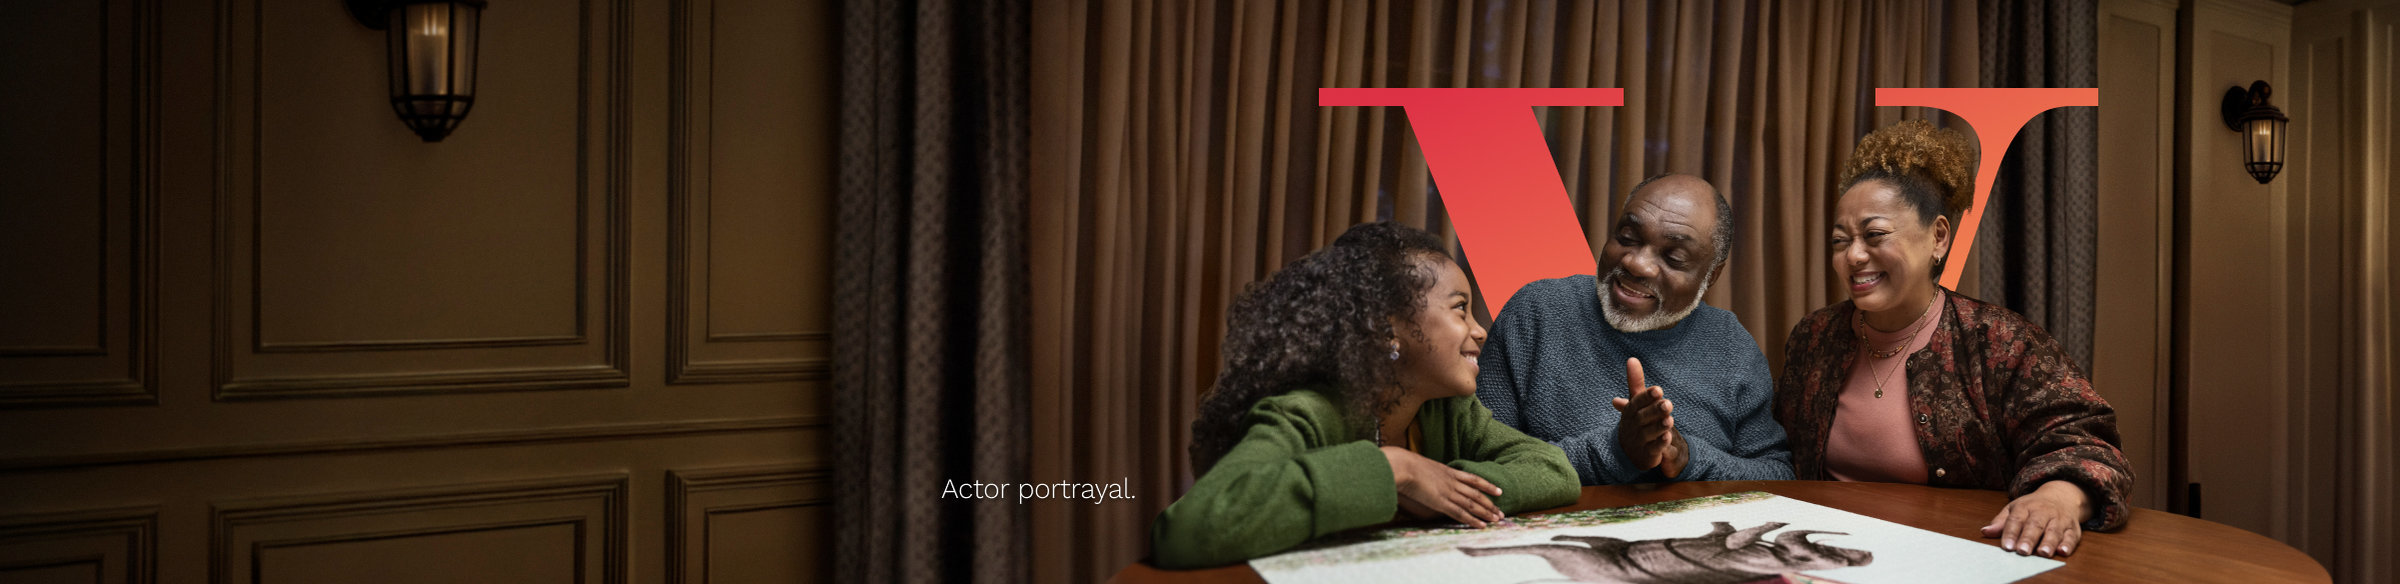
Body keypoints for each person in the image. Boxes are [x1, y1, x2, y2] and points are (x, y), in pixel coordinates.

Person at [1775, 119, 2133, 560]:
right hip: (1826, 556)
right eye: (1839, 240)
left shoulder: (1999, 341)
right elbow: (1778, 455)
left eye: (1874, 235)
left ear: (1938, 237)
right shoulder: (1814, 338)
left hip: (1953, 557)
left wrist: (2057, 497)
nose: (1853, 256)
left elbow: (2088, 443)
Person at [1149, 222, 1580, 569]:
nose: (1479, 329)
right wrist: (1394, 470)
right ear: (1386, 328)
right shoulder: (1306, 413)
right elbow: (1186, 531)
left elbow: (1554, 470)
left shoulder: (1448, 411)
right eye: (1459, 308)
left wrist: (1443, 492)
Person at [1478, 173, 1793, 486]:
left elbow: (1776, 476)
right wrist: (1618, 452)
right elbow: (1482, 464)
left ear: (1711, 275)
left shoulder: (1733, 349)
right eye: (1627, 238)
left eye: (1674, 258)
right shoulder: (1537, 312)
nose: (1637, 264)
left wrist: (1688, 459)